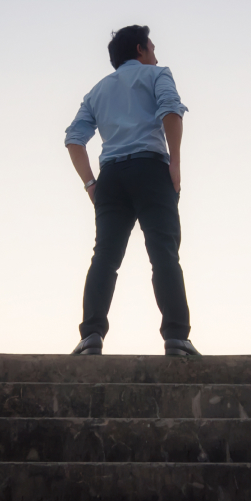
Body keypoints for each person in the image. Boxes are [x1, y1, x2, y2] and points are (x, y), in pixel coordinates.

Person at [64, 25, 200, 357]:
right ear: (140, 49)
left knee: (105, 258)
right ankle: (177, 338)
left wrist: (90, 184)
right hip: (151, 169)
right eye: (152, 48)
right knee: (164, 254)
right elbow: (170, 111)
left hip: (111, 177)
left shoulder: (97, 91)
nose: (156, 55)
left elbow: (74, 138)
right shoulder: (156, 75)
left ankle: (91, 336)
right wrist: (175, 165)